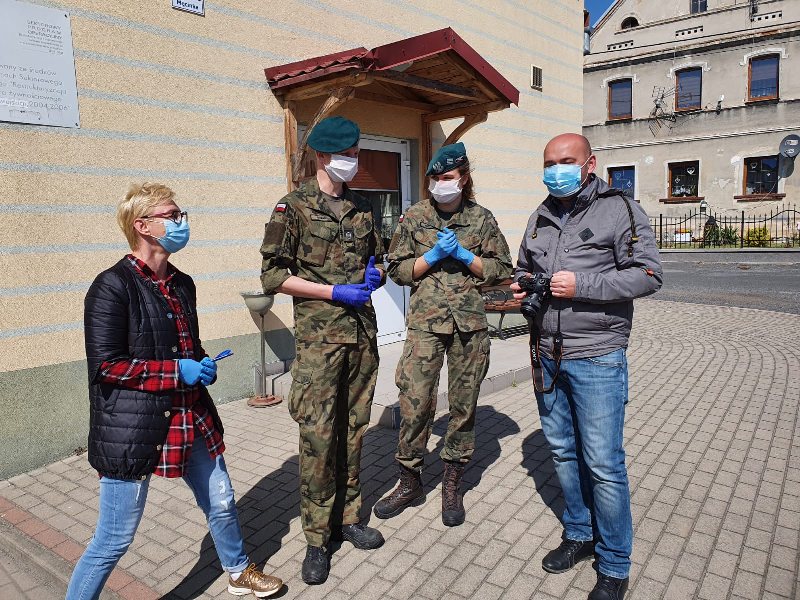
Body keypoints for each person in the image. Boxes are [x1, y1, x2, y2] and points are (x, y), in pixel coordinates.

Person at [67, 183, 282, 600]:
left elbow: (186, 346)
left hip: (190, 416)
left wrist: (201, 365)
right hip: (133, 428)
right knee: (113, 539)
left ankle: (238, 572)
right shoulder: (111, 286)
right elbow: (106, 367)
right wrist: (177, 370)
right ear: (142, 225)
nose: (182, 222)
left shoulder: (183, 283)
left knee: (221, 501)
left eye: (181, 214)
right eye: (172, 215)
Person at [512, 134, 662, 600]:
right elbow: (523, 267)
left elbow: (648, 274)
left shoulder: (620, 209)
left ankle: (614, 563)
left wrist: (582, 285)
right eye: (549, 163)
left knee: (603, 464)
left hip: (597, 354)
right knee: (562, 452)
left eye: (566, 161)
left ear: (589, 163)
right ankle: (579, 532)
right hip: (546, 353)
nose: (556, 170)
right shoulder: (540, 215)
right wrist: (524, 287)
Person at [259, 116, 385, 585]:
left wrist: (375, 275)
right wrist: (333, 292)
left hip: (362, 338)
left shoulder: (364, 207)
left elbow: (379, 258)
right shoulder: (292, 208)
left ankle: (348, 518)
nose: (352, 161)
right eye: (344, 154)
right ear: (320, 156)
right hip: (319, 344)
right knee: (317, 440)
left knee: (353, 433)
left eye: (355, 153)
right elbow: (273, 277)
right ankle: (316, 538)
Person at [374, 142, 512, 526]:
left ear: (463, 178)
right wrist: (431, 257)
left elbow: (502, 269)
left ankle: (452, 482)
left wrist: (466, 257)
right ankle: (409, 481)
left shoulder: (481, 219)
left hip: (469, 326)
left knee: (464, 406)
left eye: (447, 177)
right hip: (425, 324)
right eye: (434, 178)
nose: (439, 184)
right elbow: (397, 270)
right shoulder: (415, 217)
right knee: (415, 402)